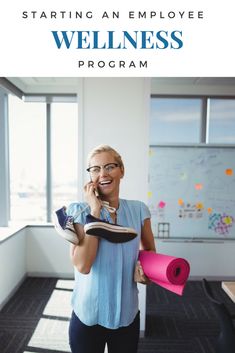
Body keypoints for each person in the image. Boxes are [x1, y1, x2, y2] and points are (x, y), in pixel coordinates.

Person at [66, 144, 156, 353]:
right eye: (95, 169)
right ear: (90, 176)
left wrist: (146, 273)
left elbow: (150, 252)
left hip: (127, 314)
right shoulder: (78, 211)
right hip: (88, 315)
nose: (102, 174)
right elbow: (83, 265)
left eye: (109, 167)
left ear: (121, 170)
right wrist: (95, 211)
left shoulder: (139, 210)